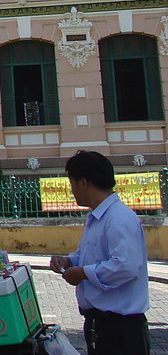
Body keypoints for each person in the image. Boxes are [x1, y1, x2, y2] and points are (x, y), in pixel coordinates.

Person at [50, 151, 150, 355]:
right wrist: (69, 261)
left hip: (120, 328)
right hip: (99, 325)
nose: (72, 191)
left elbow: (125, 266)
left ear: (84, 183)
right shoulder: (96, 217)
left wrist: (83, 273)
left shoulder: (119, 218)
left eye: (72, 184)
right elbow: (88, 255)